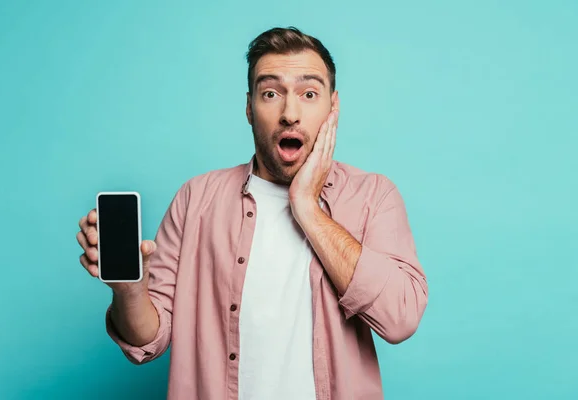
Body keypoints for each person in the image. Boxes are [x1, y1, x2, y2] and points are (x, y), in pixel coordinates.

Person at [76, 26, 428, 400]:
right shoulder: (196, 199)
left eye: (309, 94)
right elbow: (148, 341)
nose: (290, 113)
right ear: (249, 107)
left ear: (333, 107)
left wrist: (307, 207)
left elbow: (400, 317)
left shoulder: (373, 196)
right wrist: (129, 290)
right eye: (271, 93)